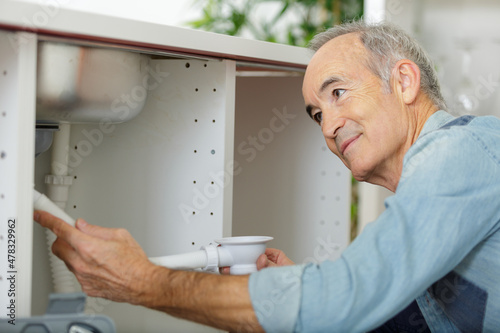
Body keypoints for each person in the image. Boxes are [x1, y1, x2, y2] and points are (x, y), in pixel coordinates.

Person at [34, 20, 500, 332]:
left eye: (338, 92)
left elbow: (349, 300)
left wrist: (143, 281)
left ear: (403, 82)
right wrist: (308, 285)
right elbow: (375, 306)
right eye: (316, 114)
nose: (330, 126)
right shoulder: (437, 189)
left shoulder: (459, 152)